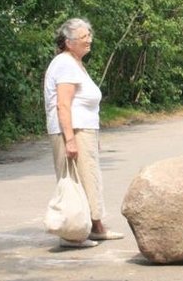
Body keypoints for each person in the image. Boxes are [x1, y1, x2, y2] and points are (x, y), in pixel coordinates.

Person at [43, 18, 124, 248]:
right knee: (75, 183)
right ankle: (73, 234)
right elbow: (63, 105)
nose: (89, 39)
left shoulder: (75, 63)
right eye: (83, 36)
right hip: (72, 131)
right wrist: (70, 139)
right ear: (69, 42)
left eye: (89, 34)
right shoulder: (65, 63)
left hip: (83, 131)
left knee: (89, 179)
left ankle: (95, 227)